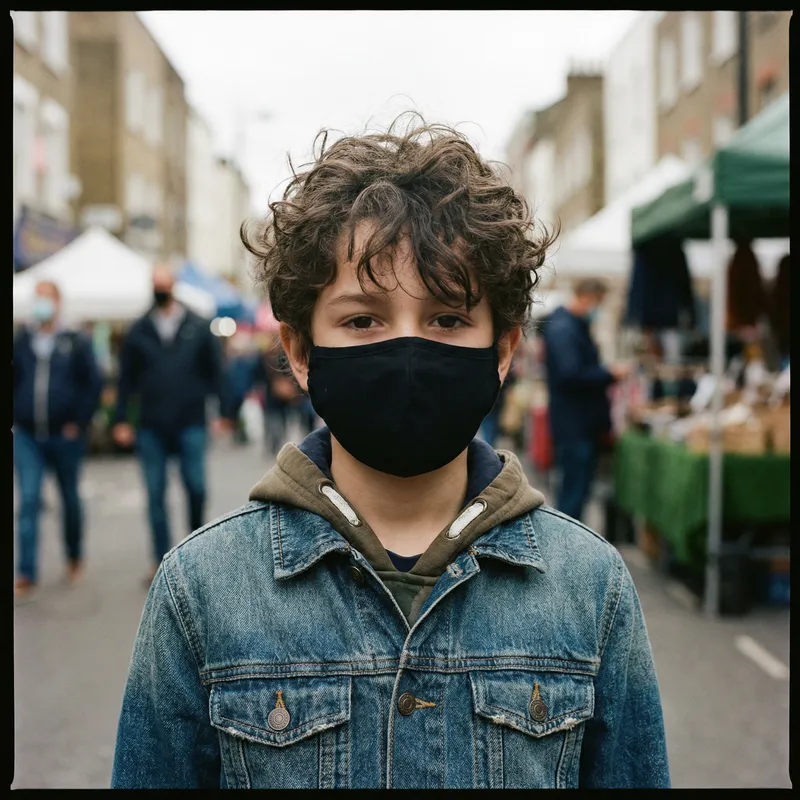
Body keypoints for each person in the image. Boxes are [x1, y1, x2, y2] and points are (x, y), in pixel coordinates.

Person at [112, 117, 669, 789]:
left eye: (448, 318)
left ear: (503, 350)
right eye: (362, 320)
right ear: (300, 351)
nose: (407, 351)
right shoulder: (199, 591)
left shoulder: (592, 586)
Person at [112, 264, 234, 584]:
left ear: (174, 286)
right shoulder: (139, 329)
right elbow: (125, 380)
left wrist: (225, 412)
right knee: (155, 496)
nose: (160, 290)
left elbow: (216, 372)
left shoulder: (197, 325)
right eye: (156, 285)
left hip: (190, 421)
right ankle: (160, 561)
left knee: (196, 487)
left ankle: (195, 554)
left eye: (164, 285)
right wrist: (121, 419)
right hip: (151, 425)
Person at [13, 280, 103, 599]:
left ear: (58, 302)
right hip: (27, 435)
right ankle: (26, 571)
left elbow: (93, 382)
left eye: (46, 298)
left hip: (65, 434)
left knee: (69, 499)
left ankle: (74, 556)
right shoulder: (22, 341)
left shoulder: (74, 341)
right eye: (37, 298)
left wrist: (78, 422)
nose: (41, 304)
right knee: (28, 501)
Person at [541, 279, 629, 523]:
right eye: (598, 302)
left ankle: (567, 536)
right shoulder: (564, 329)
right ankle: (565, 541)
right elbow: (571, 374)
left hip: (579, 422)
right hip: (574, 423)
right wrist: (609, 373)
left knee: (576, 488)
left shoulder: (571, 326)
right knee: (573, 491)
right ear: (588, 298)